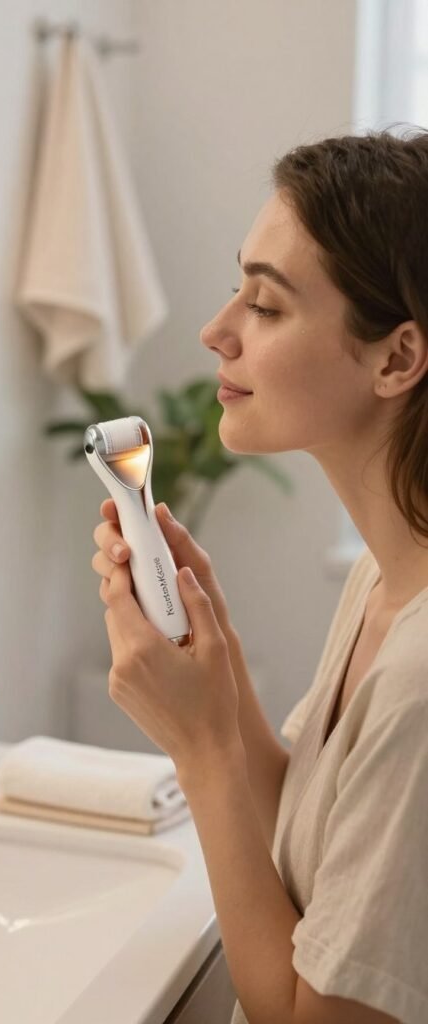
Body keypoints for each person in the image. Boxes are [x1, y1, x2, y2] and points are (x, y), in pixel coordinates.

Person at [90, 126, 428, 1024]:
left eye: (266, 307)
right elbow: (312, 826)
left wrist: (199, 749)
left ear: (395, 358)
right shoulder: (385, 577)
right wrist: (218, 662)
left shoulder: (421, 677)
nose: (216, 332)